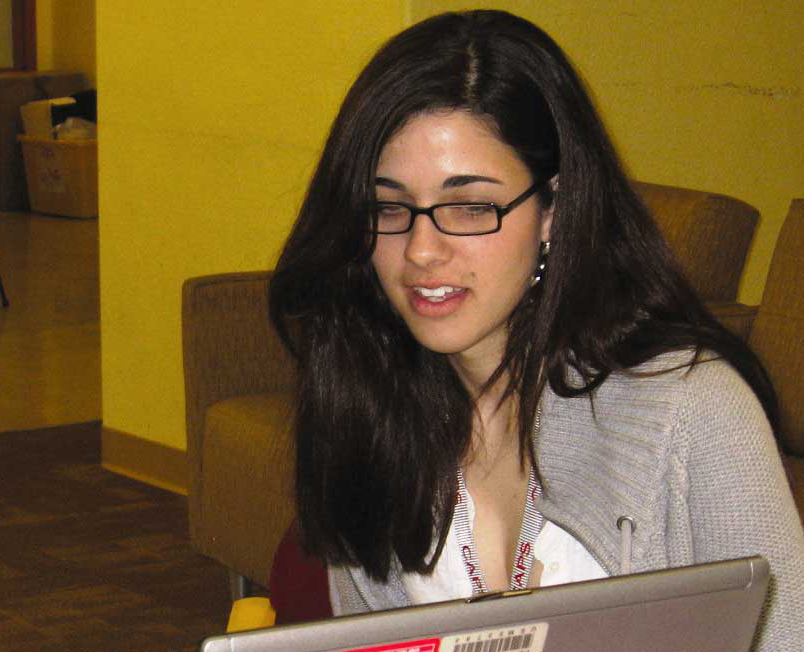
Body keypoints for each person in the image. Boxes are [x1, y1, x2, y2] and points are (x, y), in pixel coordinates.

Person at [266, 9, 804, 648]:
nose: (421, 250)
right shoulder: (366, 407)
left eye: (470, 206)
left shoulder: (691, 411)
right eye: (389, 207)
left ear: (553, 209)